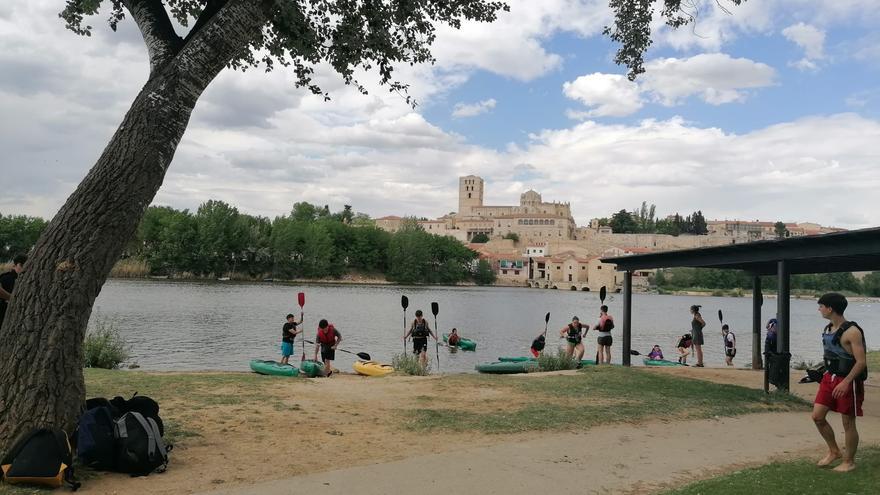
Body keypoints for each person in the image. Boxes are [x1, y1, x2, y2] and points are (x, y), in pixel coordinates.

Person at [812, 293, 867, 473]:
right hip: (829, 377)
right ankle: (834, 451)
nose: (819, 309)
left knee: (848, 423)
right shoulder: (828, 329)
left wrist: (846, 383)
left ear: (830, 308)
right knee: (817, 417)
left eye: (821, 306)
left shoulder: (852, 332)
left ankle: (849, 461)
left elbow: (861, 362)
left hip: (848, 380)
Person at [0, 254, 27, 327]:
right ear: (15, 265)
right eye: (21, 265)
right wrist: (12, 298)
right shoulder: (6, 277)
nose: (23, 268)